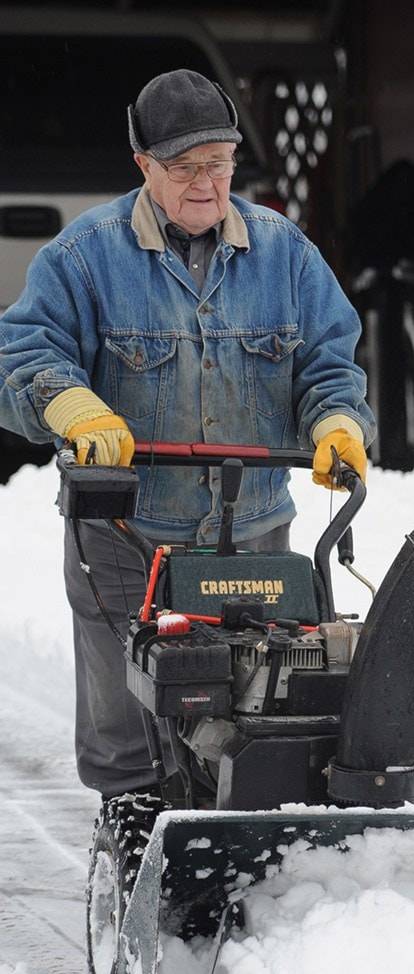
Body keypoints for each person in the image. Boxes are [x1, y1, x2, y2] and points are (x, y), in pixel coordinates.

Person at [0, 69, 375, 801]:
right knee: (127, 729)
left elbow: (330, 361)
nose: (206, 183)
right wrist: (71, 405)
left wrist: (336, 422)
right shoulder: (84, 257)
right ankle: (133, 843)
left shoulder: (285, 253)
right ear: (144, 166)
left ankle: (256, 852)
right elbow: (23, 353)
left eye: (220, 163)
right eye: (184, 167)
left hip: (255, 533)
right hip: (124, 533)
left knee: (269, 702)